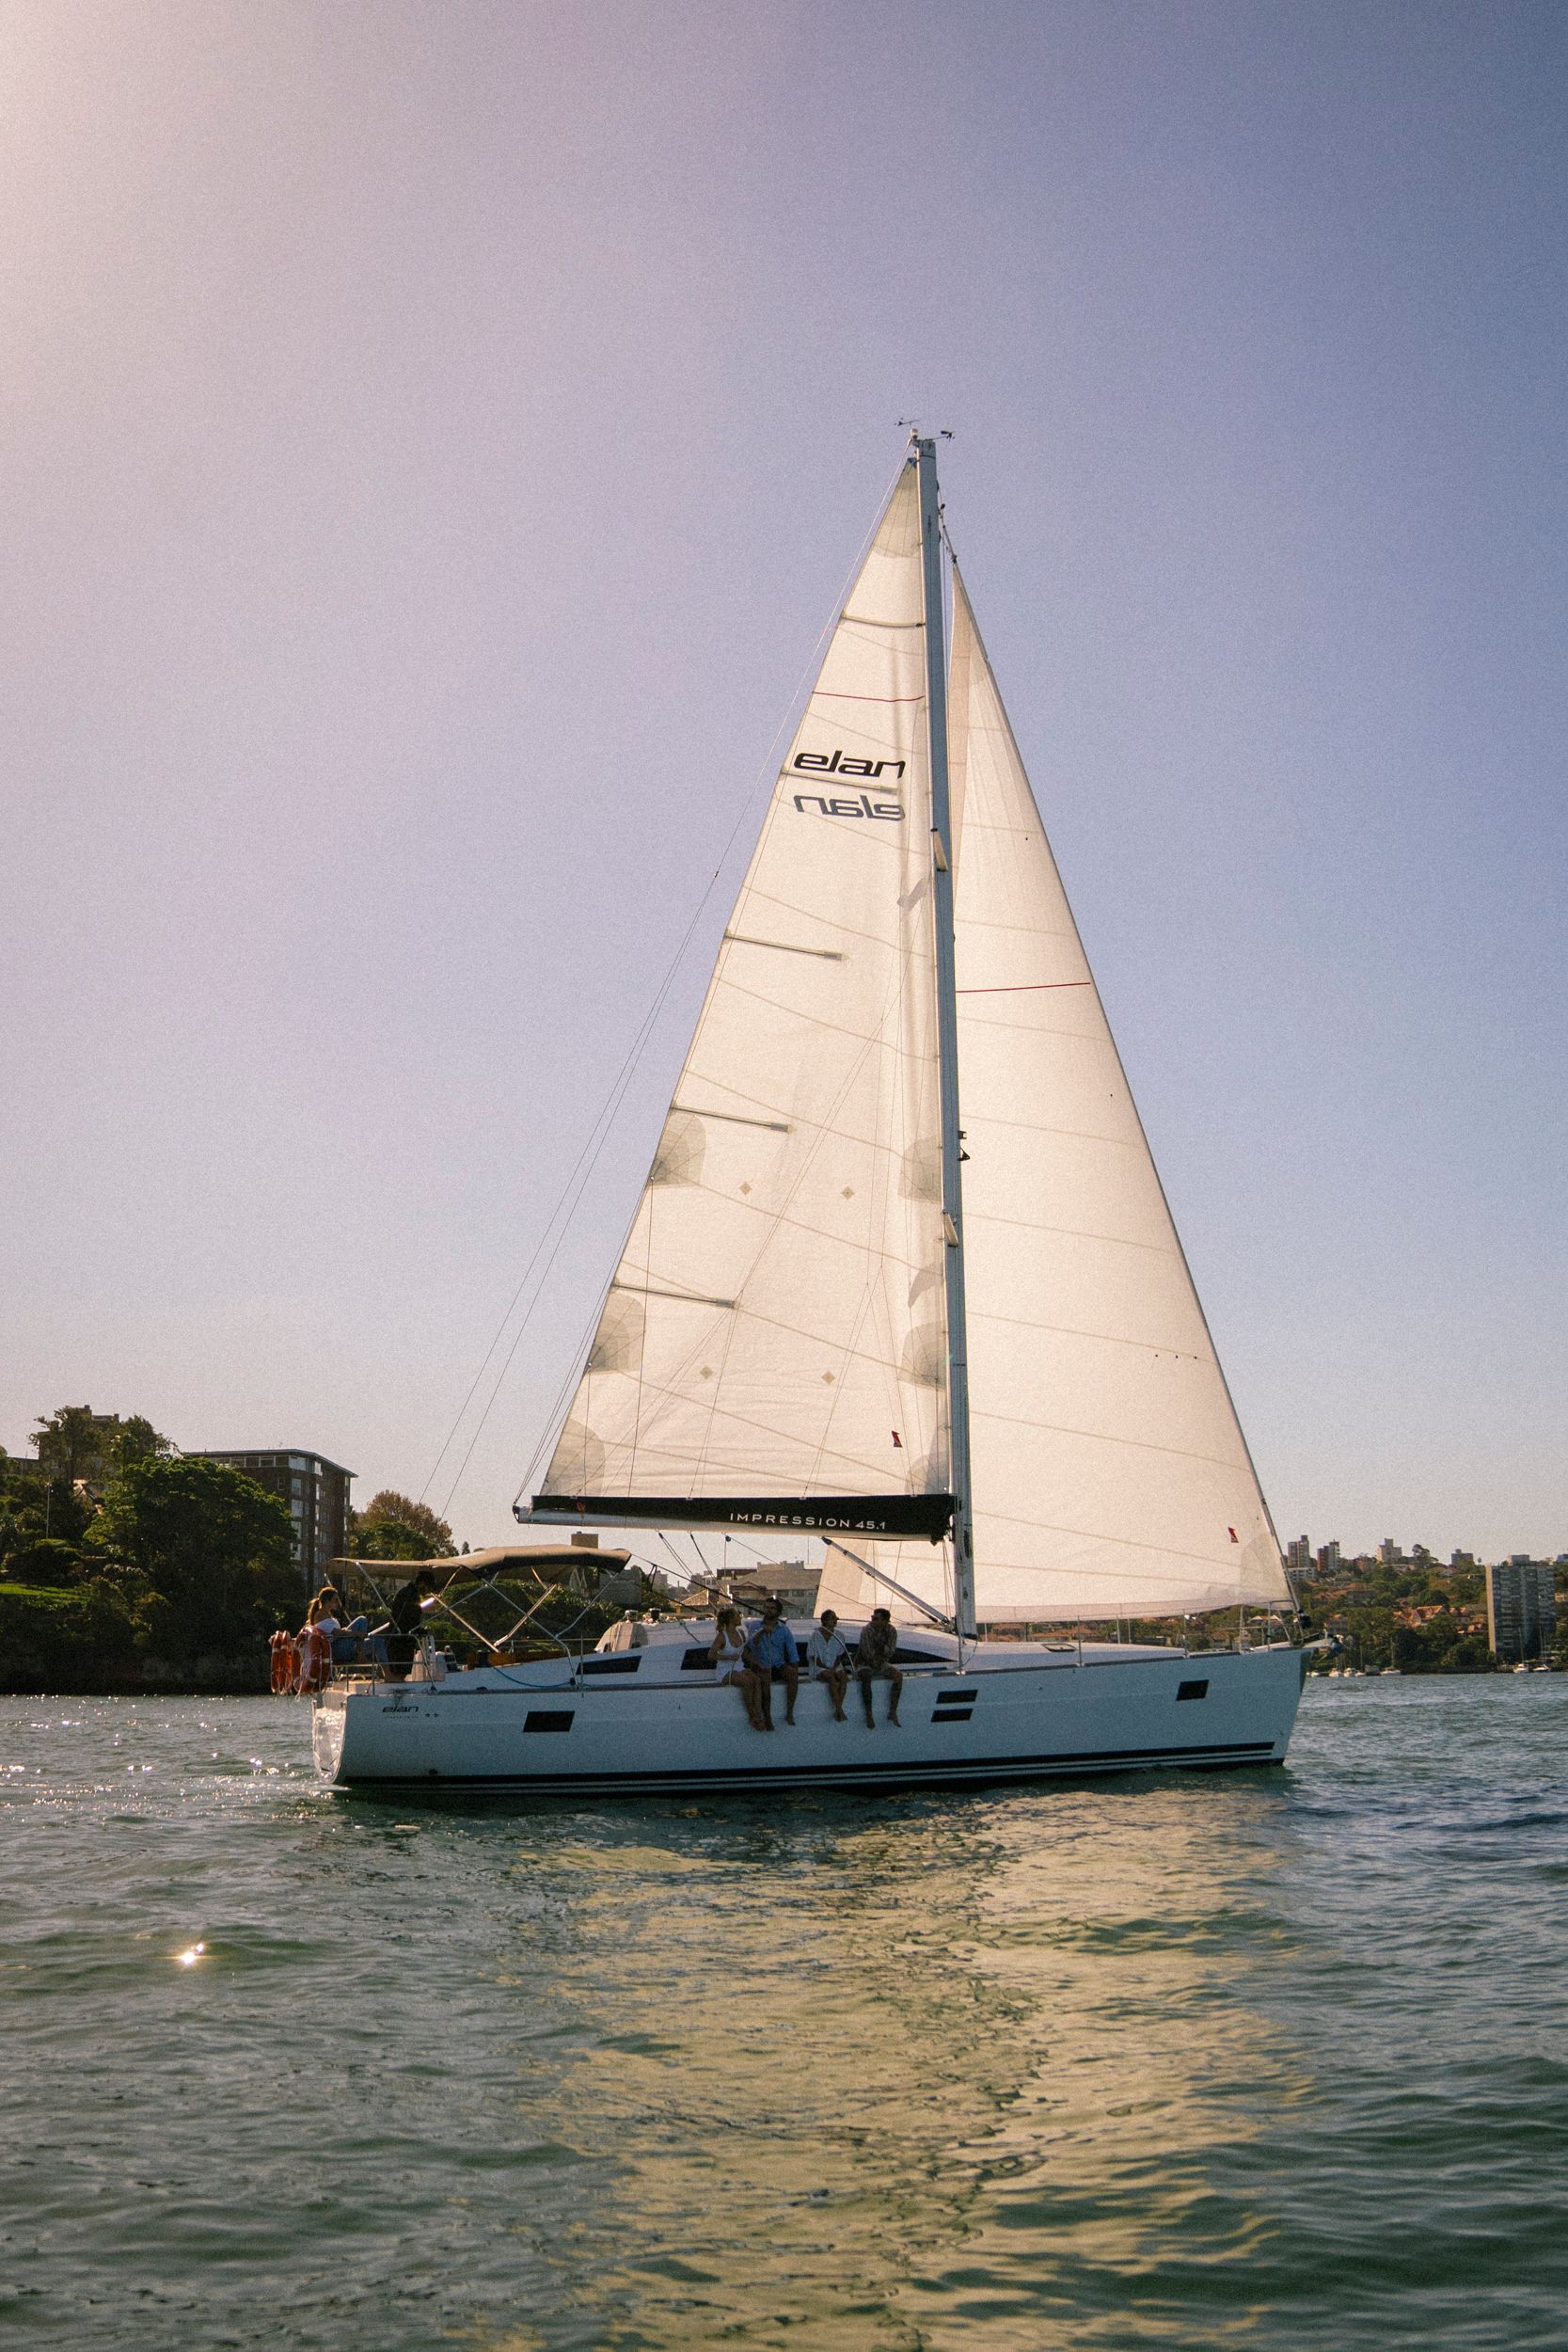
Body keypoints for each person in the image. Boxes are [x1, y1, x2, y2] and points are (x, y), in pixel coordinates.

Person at [708, 1605, 767, 1731]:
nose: (740, 1617)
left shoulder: (740, 1633)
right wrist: (728, 1657)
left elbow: (744, 1653)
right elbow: (711, 1655)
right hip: (725, 1671)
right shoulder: (722, 1636)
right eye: (737, 1615)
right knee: (747, 1683)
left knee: (756, 1680)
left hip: (739, 1667)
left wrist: (757, 1663)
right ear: (731, 1619)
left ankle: (759, 1714)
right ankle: (752, 1716)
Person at [745, 1597, 800, 1728]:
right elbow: (751, 1646)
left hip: (778, 1664)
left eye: (772, 1608)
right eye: (767, 1607)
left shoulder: (784, 1630)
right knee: (765, 1680)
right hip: (761, 1665)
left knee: (793, 1675)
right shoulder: (755, 1626)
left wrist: (794, 1667)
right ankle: (767, 1717)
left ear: (778, 1612)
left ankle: (790, 1712)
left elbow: (792, 1651)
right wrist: (762, 1631)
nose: (769, 1610)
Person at [854, 1606, 903, 1727]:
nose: (872, 1620)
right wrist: (881, 1650)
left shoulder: (891, 1631)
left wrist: (880, 1649)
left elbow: (891, 1651)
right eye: (872, 1617)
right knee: (867, 1676)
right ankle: (869, 1713)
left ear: (885, 1621)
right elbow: (867, 1653)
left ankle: (893, 1711)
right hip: (865, 1663)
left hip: (881, 1662)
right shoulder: (867, 1630)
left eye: (876, 1618)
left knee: (898, 1676)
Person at [387, 1568, 437, 1682]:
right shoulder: (410, 1595)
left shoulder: (405, 1592)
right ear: (422, 1584)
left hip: (398, 1637)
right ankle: (396, 1694)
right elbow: (409, 1620)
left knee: (399, 1672)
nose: (428, 1591)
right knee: (400, 1672)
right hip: (402, 1640)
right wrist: (424, 1632)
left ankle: (396, 1691)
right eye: (429, 1587)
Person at [804, 1608, 851, 1722]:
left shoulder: (839, 1635)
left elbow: (840, 1655)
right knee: (831, 1677)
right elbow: (813, 1657)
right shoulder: (815, 1636)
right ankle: (839, 1710)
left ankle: (838, 1709)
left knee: (843, 1678)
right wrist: (827, 1668)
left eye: (835, 1619)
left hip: (835, 1665)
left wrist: (834, 1667)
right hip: (819, 1667)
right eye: (832, 1619)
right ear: (825, 1621)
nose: (835, 1621)